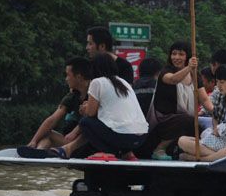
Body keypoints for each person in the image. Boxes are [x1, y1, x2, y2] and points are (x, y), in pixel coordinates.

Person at [19, 53, 149, 160]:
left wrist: (85, 109)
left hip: (120, 137)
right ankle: (42, 150)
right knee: (87, 123)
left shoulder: (97, 82)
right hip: (141, 137)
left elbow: (90, 115)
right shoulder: (124, 83)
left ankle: (70, 150)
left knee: (86, 122)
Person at [145, 41, 213, 160]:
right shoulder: (165, 72)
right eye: (174, 54)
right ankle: (159, 149)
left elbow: (204, 99)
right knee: (186, 120)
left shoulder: (194, 74)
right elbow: (173, 79)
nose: (176, 57)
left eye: (181, 54)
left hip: (185, 119)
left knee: (200, 127)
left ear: (187, 56)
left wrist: (217, 113)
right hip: (164, 121)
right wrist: (189, 68)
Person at [27, 57, 92, 150]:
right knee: (47, 134)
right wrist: (33, 141)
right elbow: (52, 119)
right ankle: (37, 151)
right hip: (71, 140)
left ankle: (37, 151)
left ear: (79, 77)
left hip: (88, 141)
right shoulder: (72, 95)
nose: (66, 79)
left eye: (68, 75)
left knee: (48, 134)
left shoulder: (96, 92)